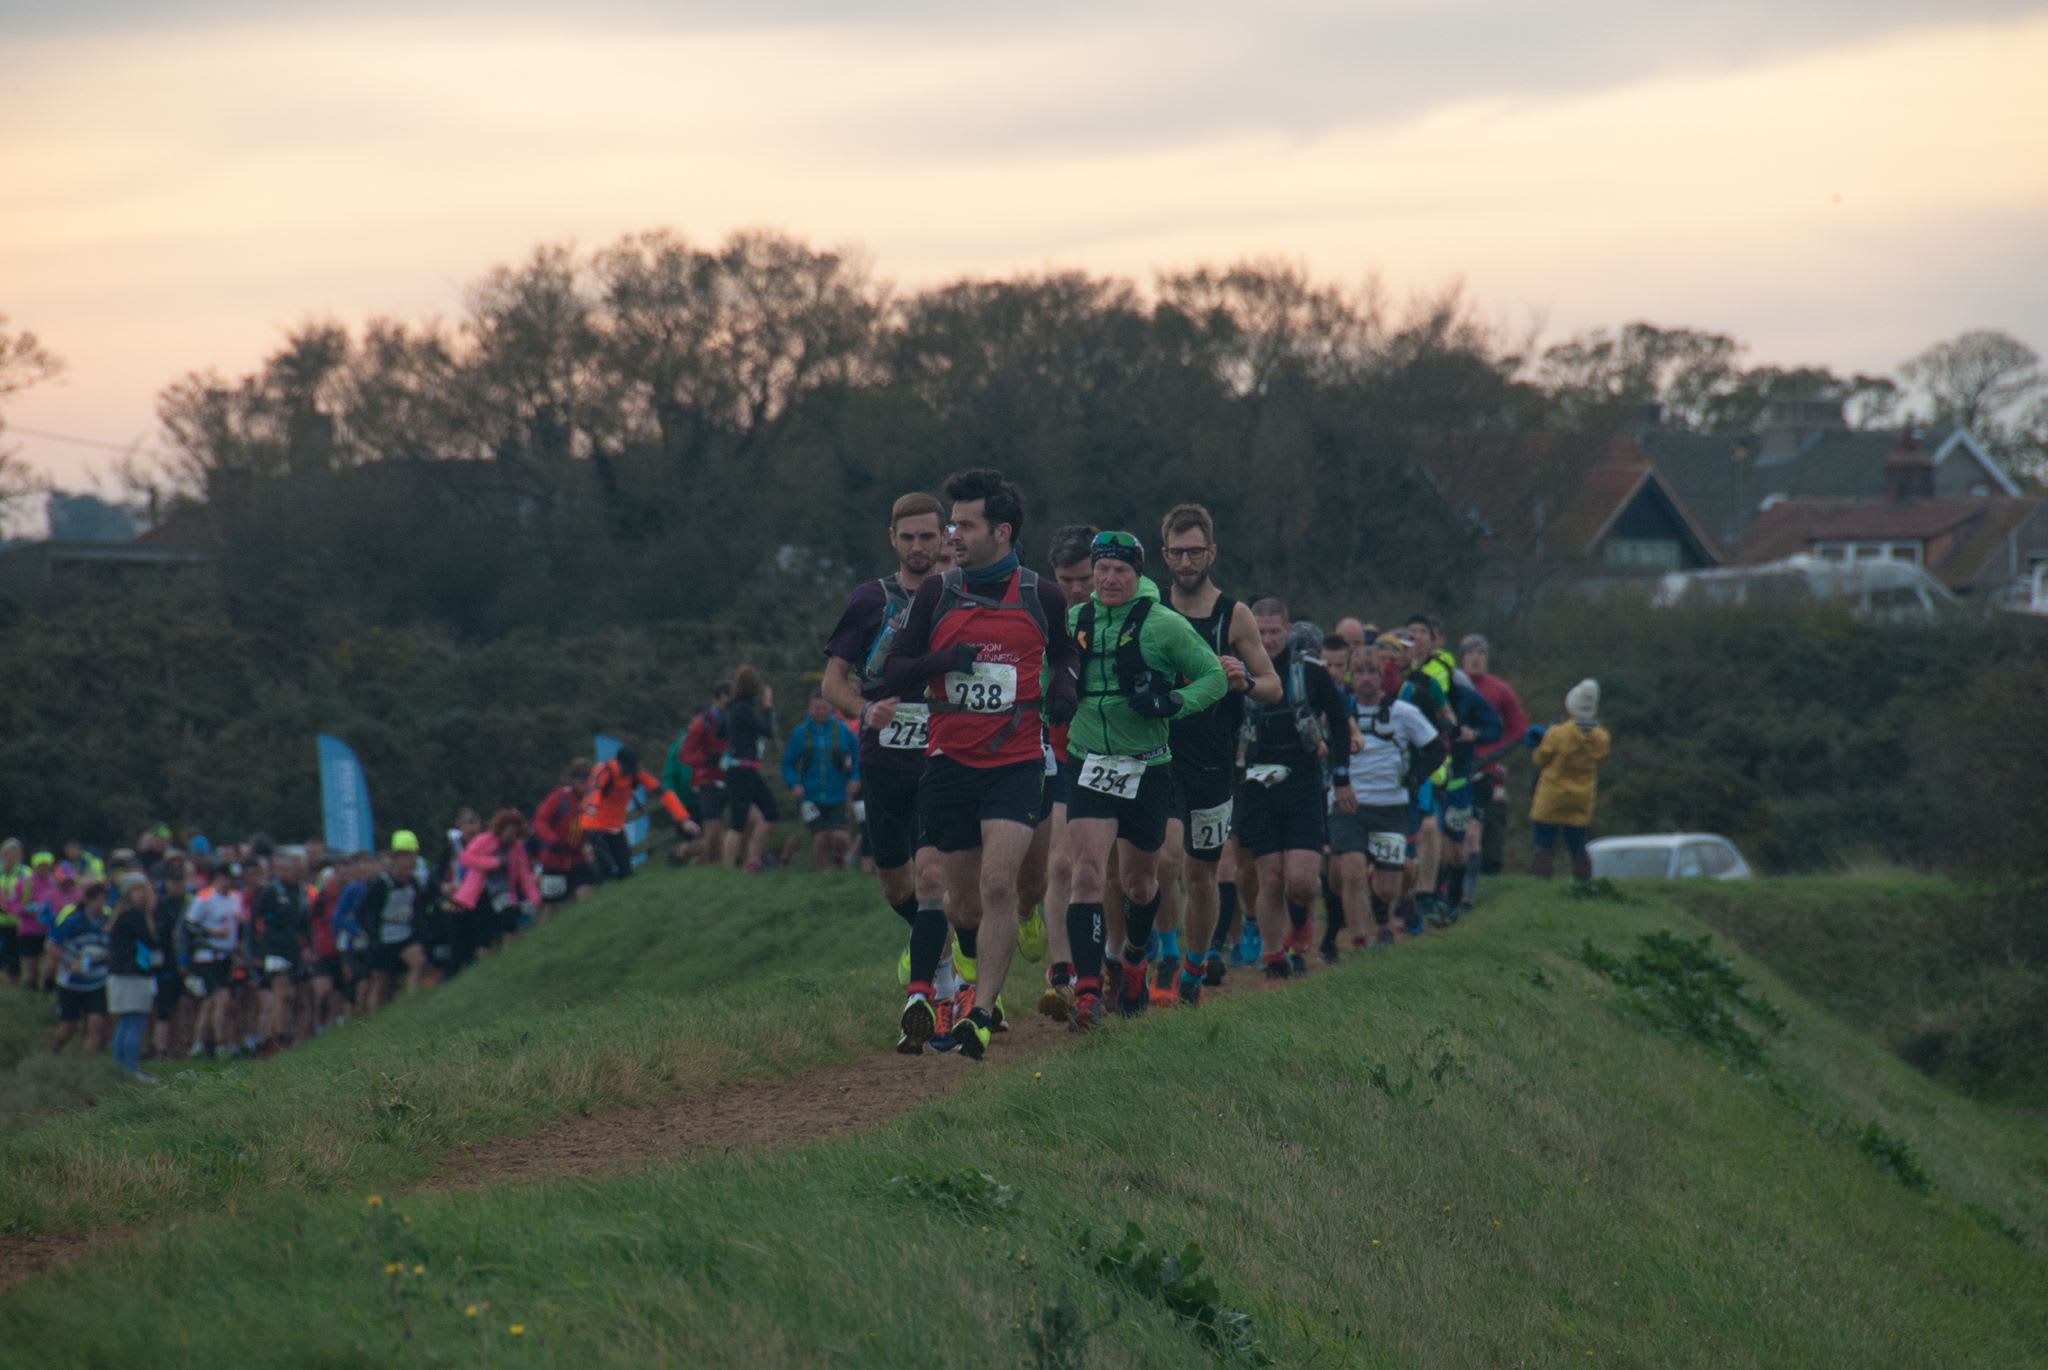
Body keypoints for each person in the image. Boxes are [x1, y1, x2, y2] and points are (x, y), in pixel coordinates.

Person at [880, 467, 1079, 1059]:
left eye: (964, 525)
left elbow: (1066, 654)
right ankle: (966, 973)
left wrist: (1064, 687)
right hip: (949, 761)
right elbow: (894, 670)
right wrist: (944, 660)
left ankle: (981, 1013)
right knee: (962, 903)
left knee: (1001, 884)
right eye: (952, 524)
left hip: (1016, 761)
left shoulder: (1041, 594)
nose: (952, 537)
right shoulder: (937, 594)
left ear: (1003, 531)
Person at [1061, 530, 1229, 1021]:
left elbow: (1214, 678)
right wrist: (1055, 697)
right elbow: (1050, 675)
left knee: (1139, 885)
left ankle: (1136, 956)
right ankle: (1089, 991)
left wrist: (1174, 702)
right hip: (1088, 760)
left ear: (1137, 576)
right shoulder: (1073, 622)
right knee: (1087, 873)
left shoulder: (1164, 625)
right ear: (1092, 574)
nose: (1111, 579)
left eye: (1121, 571)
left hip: (1148, 767)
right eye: (1103, 570)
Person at [820, 491, 957, 1007]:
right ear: (892, 539)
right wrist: (863, 709)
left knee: (931, 875)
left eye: (928, 536)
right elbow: (833, 680)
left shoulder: (961, 598)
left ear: (945, 537)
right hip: (884, 757)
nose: (919, 546)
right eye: (909, 537)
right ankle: (940, 944)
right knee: (895, 884)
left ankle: (933, 994)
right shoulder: (869, 600)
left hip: (944, 756)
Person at [1154, 503, 1281, 997]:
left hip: (1213, 758)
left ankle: (1193, 965)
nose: (1186, 563)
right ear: (1165, 555)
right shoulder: (1152, 610)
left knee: (1200, 875)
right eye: (1177, 553)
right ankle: (1164, 954)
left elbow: (1273, 687)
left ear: (1212, 552)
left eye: (1195, 552)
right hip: (1158, 752)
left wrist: (1243, 681)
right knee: (1163, 863)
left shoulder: (1235, 614)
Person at [1238, 598, 1352, 982]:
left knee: (1301, 880)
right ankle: (1274, 959)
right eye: (1260, 631)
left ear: (1288, 631)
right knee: (1269, 877)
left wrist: (1341, 774)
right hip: (1256, 781)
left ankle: (1301, 922)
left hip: (1303, 779)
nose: (1267, 639)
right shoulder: (1236, 671)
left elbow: (1339, 720)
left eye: (1274, 632)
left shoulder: (1311, 673)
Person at [1330, 656, 1446, 948]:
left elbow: (1436, 749)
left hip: (1391, 805)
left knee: (1388, 887)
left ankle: (1382, 910)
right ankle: (1358, 942)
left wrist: (1415, 777)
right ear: (1350, 677)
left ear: (1382, 676)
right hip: (1349, 803)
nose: (1365, 678)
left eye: (1372, 671)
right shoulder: (1336, 712)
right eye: (1359, 671)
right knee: (1352, 870)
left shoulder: (1404, 712)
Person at [1035, 524, 1097, 1020]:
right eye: (1065, 580)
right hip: (1058, 753)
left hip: (1111, 755)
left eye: (1083, 579)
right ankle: (1061, 971)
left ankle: (1110, 960)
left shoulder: (1126, 615)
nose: (1075, 590)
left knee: (1101, 872)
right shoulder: (1042, 613)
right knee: (1059, 864)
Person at [1459, 633, 1528, 898]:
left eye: (1481, 653)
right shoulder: (1452, 685)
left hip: (1487, 768)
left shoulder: (1500, 689)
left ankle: (1483, 877)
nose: (1476, 658)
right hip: (1454, 764)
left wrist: (1492, 754)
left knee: (1487, 822)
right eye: (1470, 653)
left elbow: (1518, 730)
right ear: (1462, 657)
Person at [1529, 679, 1611, 880]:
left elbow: (1540, 758)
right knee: (1577, 846)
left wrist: (1543, 739)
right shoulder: (1601, 737)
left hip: (1552, 795)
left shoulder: (1558, 733)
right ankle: (1583, 883)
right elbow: (1598, 761)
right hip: (1582, 797)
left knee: (1544, 844)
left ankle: (1541, 882)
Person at [584, 748, 697, 881]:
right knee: (607, 871)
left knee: (625, 871)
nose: (628, 774)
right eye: (626, 770)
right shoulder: (604, 771)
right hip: (595, 825)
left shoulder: (636, 773)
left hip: (616, 826)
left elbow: (664, 793)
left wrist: (684, 819)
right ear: (618, 763)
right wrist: (592, 807)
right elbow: (595, 790)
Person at [782, 691, 861, 870]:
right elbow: (788, 763)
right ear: (810, 708)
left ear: (831, 708)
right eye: (817, 708)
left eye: (824, 708)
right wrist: (793, 783)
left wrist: (856, 778)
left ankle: (840, 862)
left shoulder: (843, 731)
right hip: (810, 797)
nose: (821, 711)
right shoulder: (800, 733)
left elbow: (858, 757)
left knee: (839, 837)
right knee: (820, 837)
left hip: (838, 794)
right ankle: (823, 877)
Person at [720, 670, 780, 871]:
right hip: (742, 770)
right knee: (738, 822)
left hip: (745, 770)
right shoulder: (743, 709)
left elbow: (721, 731)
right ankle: (729, 868)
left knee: (769, 812)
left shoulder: (731, 708)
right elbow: (767, 730)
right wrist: (768, 706)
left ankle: (752, 861)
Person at [105, 875, 162, 1082]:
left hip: (119, 976)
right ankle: (130, 1070)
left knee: (125, 1023)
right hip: (133, 975)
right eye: (137, 890)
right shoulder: (136, 916)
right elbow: (151, 941)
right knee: (135, 1023)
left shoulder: (120, 916)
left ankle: (120, 1069)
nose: (142, 895)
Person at [253, 849, 309, 1051]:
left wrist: (308, 947)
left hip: (291, 949)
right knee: (281, 992)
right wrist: (256, 952)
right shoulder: (271, 891)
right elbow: (253, 920)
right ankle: (278, 1037)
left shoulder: (301, 891)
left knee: (290, 995)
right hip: (273, 948)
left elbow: (304, 923)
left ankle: (281, 1033)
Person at [454, 810, 542, 939]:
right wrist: (495, 862)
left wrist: (535, 899)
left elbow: (525, 876)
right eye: (509, 831)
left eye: (514, 833)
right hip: (480, 894)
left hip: (505, 891)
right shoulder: (485, 839)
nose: (511, 836)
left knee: (512, 918)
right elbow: (466, 858)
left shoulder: (517, 848)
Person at [49, 879, 111, 1055]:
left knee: (96, 1021)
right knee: (69, 1026)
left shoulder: (108, 922)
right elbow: (51, 946)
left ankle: (87, 1064)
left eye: (103, 900)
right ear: (88, 901)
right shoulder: (73, 922)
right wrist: (69, 961)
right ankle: (55, 1050)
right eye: (97, 900)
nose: (100, 905)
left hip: (97, 981)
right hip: (71, 982)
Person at [185, 864, 242, 1056]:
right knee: (221, 998)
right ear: (218, 877)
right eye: (227, 877)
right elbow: (190, 925)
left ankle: (199, 1043)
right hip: (208, 957)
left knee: (210, 1003)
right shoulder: (204, 897)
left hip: (226, 957)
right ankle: (220, 1043)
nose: (230, 882)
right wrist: (211, 933)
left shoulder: (235, 897)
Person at [672, 685, 732, 863]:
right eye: (724, 701)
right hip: (708, 781)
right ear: (715, 699)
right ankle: (689, 855)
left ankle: (712, 866)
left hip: (731, 779)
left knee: (736, 827)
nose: (727, 705)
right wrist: (706, 759)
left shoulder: (733, 718)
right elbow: (684, 754)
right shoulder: (702, 723)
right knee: (712, 832)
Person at [532, 760, 596, 908]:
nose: (586, 785)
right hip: (554, 859)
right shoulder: (559, 798)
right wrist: (551, 838)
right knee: (551, 906)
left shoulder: (590, 801)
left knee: (586, 893)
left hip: (577, 858)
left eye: (589, 781)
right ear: (573, 781)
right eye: (582, 781)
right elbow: (539, 821)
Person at [0, 838, 27, 988]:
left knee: (14, 955)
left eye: (14, 853)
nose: (10, 856)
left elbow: (29, 895)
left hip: (16, 921)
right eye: (7, 853)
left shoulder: (25, 873)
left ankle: (14, 984)